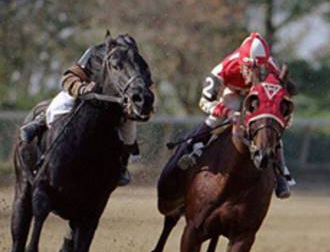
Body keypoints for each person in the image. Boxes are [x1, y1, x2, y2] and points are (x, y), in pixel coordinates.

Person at [19, 35, 152, 186]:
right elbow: (69, 77)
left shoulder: (136, 62)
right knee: (61, 104)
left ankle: (121, 168)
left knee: (129, 133)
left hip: (115, 105)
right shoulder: (95, 53)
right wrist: (81, 88)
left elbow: (147, 87)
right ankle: (40, 122)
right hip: (84, 97)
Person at [174, 32, 293, 199]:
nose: (257, 74)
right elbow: (205, 102)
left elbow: (284, 100)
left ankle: (281, 174)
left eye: (260, 69)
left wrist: (284, 117)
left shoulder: (272, 68)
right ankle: (192, 148)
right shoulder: (223, 69)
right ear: (241, 64)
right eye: (251, 69)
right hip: (233, 95)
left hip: (259, 98)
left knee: (268, 123)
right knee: (221, 113)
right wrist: (228, 112)